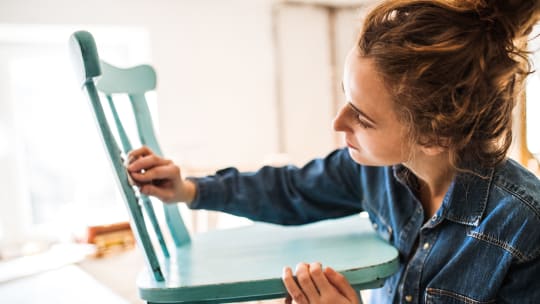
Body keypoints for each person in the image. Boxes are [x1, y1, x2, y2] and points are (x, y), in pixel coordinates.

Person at [127, 0, 540, 303]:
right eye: (346, 98)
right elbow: (291, 189)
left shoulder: (523, 227)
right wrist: (190, 191)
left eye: (363, 117)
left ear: (433, 136)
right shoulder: (374, 170)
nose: (338, 123)